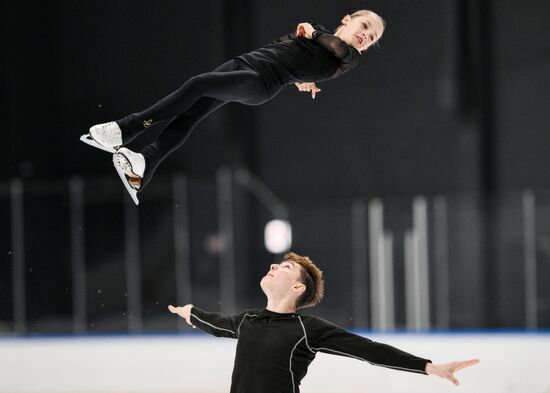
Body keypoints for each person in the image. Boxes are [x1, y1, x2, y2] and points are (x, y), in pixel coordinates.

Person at [80, 10, 386, 204]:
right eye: (364, 25)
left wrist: (311, 36)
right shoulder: (317, 32)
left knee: (198, 84)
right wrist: (302, 58)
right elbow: (286, 46)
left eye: (371, 38)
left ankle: (125, 129)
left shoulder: (347, 58)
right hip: (245, 64)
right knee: (193, 111)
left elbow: (334, 48)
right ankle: (143, 167)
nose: (365, 35)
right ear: (348, 18)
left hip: (260, 83)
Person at [168, 252, 479, 393]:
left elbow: (368, 350)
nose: (274, 265)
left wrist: (428, 366)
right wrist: (191, 313)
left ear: (297, 288)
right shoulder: (247, 320)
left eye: (285, 266)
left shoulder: (307, 329)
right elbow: (217, 323)